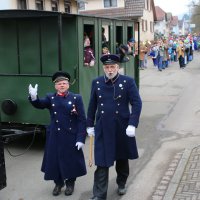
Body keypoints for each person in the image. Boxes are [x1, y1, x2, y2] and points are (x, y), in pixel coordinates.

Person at [86, 54, 142, 200]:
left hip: (122, 127)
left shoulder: (128, 82)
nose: (110, 70)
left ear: (118, 67)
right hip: (103, 127)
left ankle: (121, 182)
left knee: (122, 159)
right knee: (102, 162)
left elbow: (137, 103)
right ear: (104, 68)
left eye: (112, 67)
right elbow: (92, 105)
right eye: (107, 67)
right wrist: (89, 124)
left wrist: (132, 124)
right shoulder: (97, 82)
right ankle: (99, 195)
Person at [28, 71, 87, 196]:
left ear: (68, 85)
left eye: (64, 83)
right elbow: (40, 104)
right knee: (55, 160)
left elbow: (82, 120)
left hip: (71, 135)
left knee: (71, 160)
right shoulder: (51, 98)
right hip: (54, 135)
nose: (62, 85)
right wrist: (34, 97)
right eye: (59, 83)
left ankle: (70, 183)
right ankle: (58, 183)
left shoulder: (76, 98)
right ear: (55, 86)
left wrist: (81, 138)